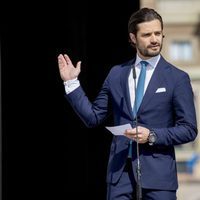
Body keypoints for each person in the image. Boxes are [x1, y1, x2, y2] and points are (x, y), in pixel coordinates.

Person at [57, 7, 198, 200]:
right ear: (133, 38)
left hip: (159, 178)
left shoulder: (177, 78)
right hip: (120, 175)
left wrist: (152, 135)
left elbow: (189, 129)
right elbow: (93, 117)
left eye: (158, 33)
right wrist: (71, 83)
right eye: (147, 34)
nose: (155, 39)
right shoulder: (117, 74)